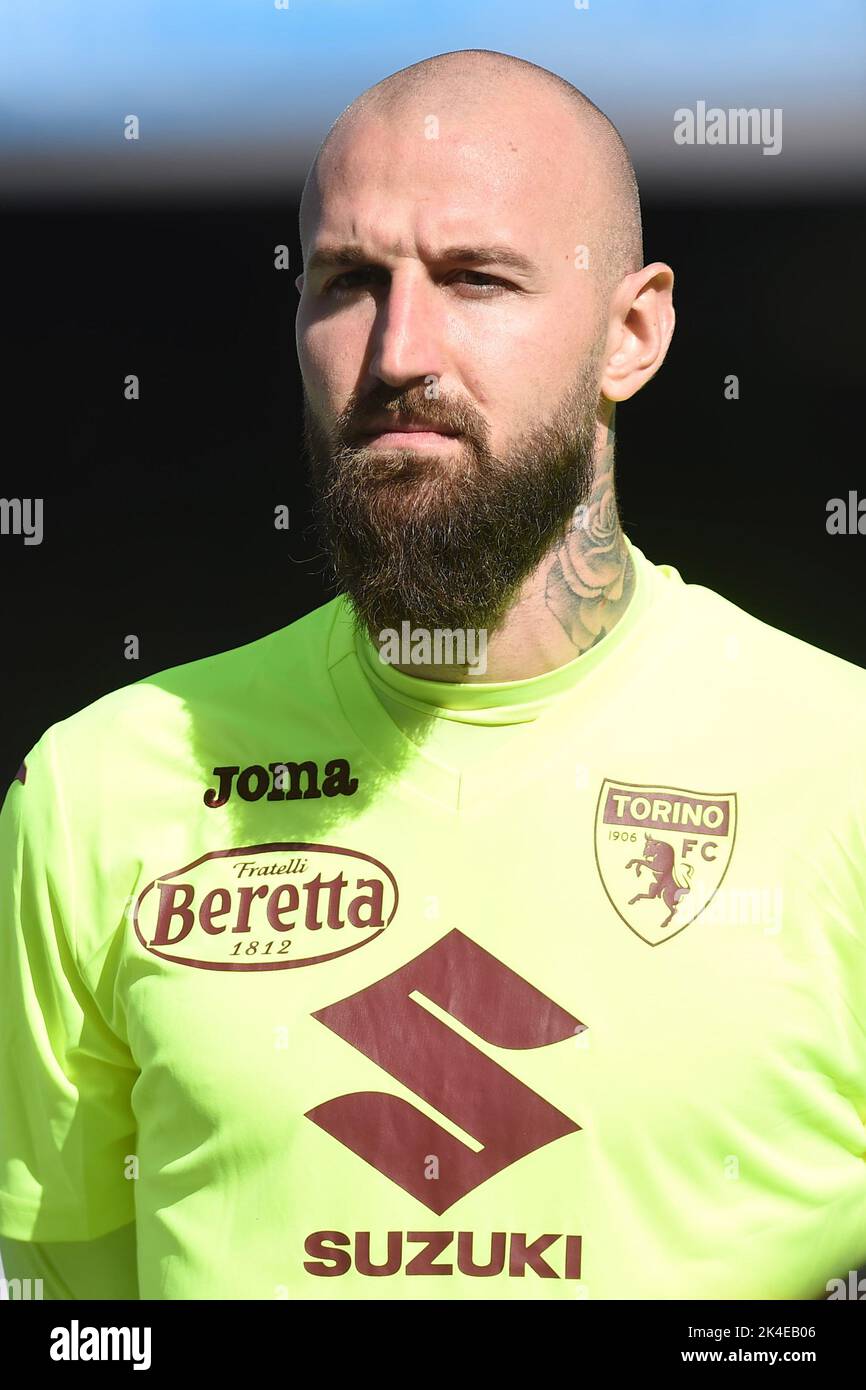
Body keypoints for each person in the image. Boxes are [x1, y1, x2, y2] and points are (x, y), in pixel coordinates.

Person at [1, 48, 864, 1302]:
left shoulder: (840, 771)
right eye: (349, 282)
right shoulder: (100, 787)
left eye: (475, 279)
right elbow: (65, 1305)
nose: (399, 349)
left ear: (632, 333)